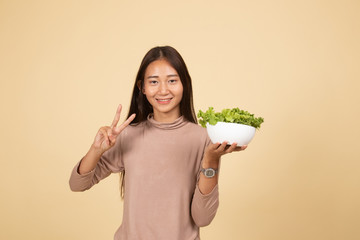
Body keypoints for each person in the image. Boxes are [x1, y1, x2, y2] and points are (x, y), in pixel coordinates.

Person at [69, 46, 247, 240]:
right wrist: (96, 150)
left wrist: (211, 160)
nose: (163, 90)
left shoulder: (203, 138)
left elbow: (202, 218)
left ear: (184, 84)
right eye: (154, 82)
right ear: (142, 87)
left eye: (172, 80)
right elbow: (77, 184)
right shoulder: (128, 135)